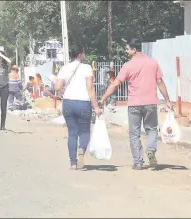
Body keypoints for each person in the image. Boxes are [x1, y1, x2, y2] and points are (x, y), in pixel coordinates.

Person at [100, 38, 172, 170]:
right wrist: (167, 100)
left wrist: (103, 98)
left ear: (134, 49)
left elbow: (116, 83)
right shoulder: (153, 63)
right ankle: (150, 149)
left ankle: (138, 162)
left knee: (134, 133)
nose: (126, 51)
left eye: (128, 49)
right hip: (150, 103)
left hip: (134, 104)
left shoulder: (128, 65)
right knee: (151, 129)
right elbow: (160, 82)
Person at [54, 43, 102, 170]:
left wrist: (63, 89)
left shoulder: (65, 68)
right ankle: (82, 149)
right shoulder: (86, 68)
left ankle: (73, 163)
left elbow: (57, 87)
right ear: (80, 54)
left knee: (72, 133)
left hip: (68, 103)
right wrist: (96, 106)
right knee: (84, 131)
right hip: (83, 103)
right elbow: (90, 88)